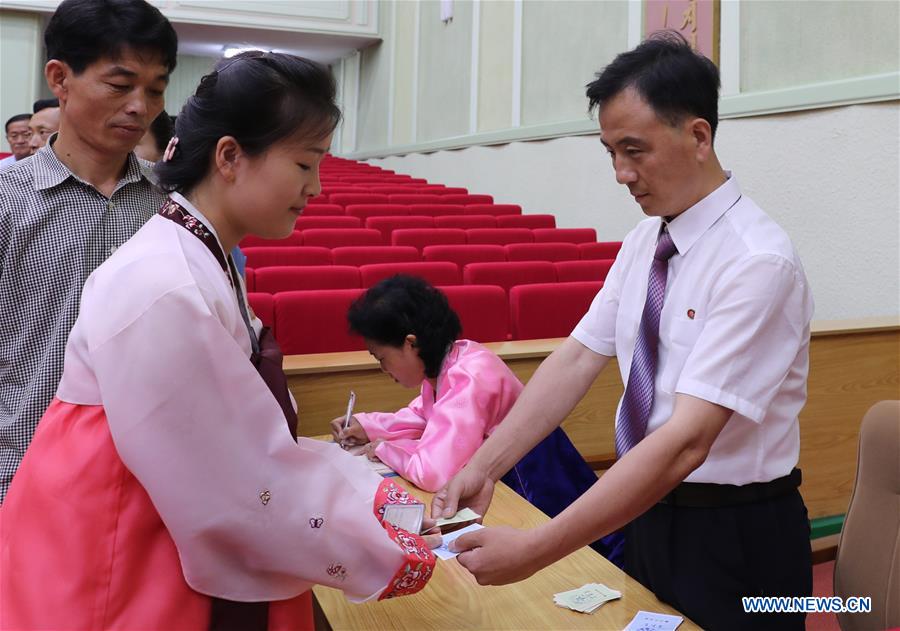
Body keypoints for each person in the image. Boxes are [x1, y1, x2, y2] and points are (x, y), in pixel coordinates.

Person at [1, 51, 439, 630]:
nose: (317, 187)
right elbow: (237, 482)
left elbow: (237, 452)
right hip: (120, 542)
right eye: (306, 164)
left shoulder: (199, 254)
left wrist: (373, 500)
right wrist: (381, 530)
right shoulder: (166, 282)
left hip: (149, 510)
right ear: (230, 156)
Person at [436, 32, 813, 631]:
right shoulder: (646, 242)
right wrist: (484, 463)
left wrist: (539, 548)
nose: (620, 173)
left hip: (738, 533)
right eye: (610, 151)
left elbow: (688, 442)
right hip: (647, 510)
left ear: (698, 135)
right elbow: (580, 356)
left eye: (634, 150)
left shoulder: (756, 262)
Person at [0, 0, 177, 501]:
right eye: (120, 86)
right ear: (60, 78)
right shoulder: (7, 202)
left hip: (148, 482)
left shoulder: (173, 206)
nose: (140, 107)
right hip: (23, 473)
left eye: (156, 89)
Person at [333, 275, 624, 565]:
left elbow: (435, 472)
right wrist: (367, 426)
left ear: (410, 343)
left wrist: (384, 448)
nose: (382, 368)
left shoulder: (469, 375)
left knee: (573, 556)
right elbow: (424, 414)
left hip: (531, 480)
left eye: (381, 358)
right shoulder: (450, 359)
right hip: (507, 472)